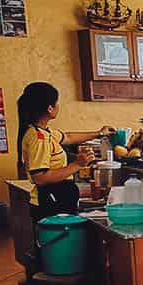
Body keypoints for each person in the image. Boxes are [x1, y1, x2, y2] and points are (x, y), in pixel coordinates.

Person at [17, 82, 113, 216]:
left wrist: (100, 133)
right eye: (57, 102)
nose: (58, 106)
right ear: (50, 108)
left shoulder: (45, 132)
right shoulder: (39, 138)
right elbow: (40, 177)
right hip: (51, 200)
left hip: (57, 197)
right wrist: (77, 164)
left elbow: (68, 137)